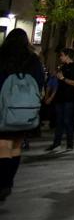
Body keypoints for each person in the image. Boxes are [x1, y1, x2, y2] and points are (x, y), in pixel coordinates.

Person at [0, 29, 45, 200]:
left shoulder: (3, 56)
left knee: (3, 145)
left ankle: (3, 183)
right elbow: (40, 82)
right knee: (16, 146)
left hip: (4, 107)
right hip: (25, 109)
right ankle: (8, 182)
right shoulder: (32, 60)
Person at [46, 48, 74, 154]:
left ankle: (70, 144)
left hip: (69, 98)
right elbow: (58, 84)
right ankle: (56, 143)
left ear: (67, 56)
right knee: (59, 121)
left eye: (61, 55)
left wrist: (62, 78)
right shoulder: (63, 67)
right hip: (60, 98)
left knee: (67, 121)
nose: (60, 57)